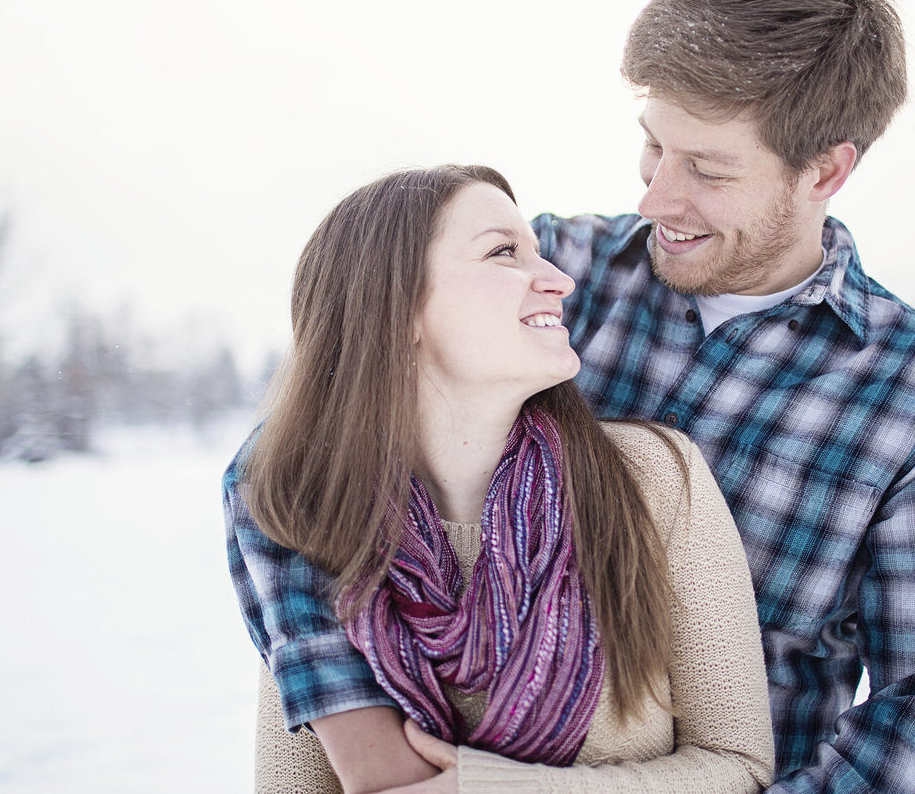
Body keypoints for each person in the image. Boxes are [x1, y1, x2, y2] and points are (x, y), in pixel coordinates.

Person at [232, 0, 915, 791]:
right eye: (653, 146)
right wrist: (356, 726)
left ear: (823, 172)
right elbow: (298, 465)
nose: (656, 199)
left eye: (708, 171)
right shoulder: (554, 274)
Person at [224, 164, 775, 793]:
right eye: (503, 252)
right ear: (397, 311)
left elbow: (740, 766)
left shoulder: (652, 480)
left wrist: (491, 787)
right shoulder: (314, 534)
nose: (560, 281)